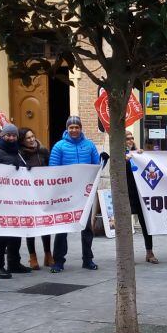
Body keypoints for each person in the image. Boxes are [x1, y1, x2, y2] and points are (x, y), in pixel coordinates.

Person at [49, 116, 99, 273]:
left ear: (81, 128)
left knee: (86, 227)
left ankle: (88, 259)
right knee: (62, 227)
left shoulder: (89, 145)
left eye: (77, 127)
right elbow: (53, 170)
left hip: (84, 194)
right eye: (71, 127)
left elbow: (96, 166)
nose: (74, 130)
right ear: (67, 129)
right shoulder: (59, 146)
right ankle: (58, 261)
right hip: (66, 194)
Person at [0, 124, 31, 279]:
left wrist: (27, 169)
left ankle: (14, 262)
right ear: (2, 136)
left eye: (14, 136)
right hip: (1, 199)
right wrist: (8, 169)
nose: (11, 138)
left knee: (16, 232)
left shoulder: (17, 151)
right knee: (0, 233)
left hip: (15, 198)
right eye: (8, 135)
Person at [19, 127, 53, 270]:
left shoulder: (43, 151)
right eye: (28, 138)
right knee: (31, 226)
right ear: (22, 141)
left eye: (33, 136)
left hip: (42, 193)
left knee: (45, 225)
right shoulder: (20, 154)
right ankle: (32, 256)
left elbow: (51, 168)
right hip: (28, 196)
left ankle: (48, 254)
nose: (32, 140)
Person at [125, 129, 158, 264]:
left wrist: (142, 157)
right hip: (126, 194)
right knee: (125, 226)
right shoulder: (119, 156)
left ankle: (149, 252)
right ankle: (126, 254)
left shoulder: (139, 154)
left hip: (140, 194)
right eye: (127, 138)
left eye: (132, 138)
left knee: (146, 223)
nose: (130, 140)